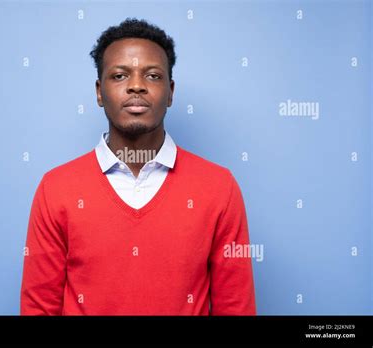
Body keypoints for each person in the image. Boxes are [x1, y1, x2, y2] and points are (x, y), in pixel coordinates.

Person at [20, 18, 256, 315]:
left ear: (170, 92)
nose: (136, 86)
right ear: (98, 92)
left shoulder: (219, 187)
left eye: (153, 76)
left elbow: (236, 307)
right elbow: (38, 307)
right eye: (119, 76)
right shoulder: (56, 188)